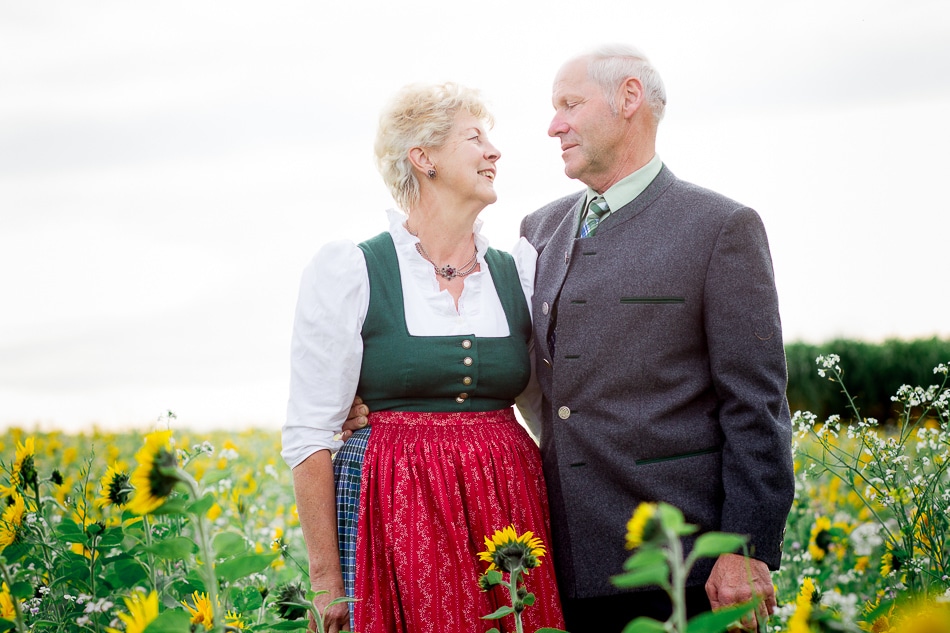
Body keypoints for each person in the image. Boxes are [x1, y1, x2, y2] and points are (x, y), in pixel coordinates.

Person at [517, 44, 796, 632]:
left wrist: (744, 548)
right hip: (560, 560)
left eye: (570, 104)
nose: (553, 125)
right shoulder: (537, 229)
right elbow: (510, 359)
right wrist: (370, 399)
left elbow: (756, 405)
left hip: (684, 570)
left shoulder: (721, 228)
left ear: (628, 98)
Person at [281, 82, 565, 633]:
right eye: (474, 137)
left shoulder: (517, 270)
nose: (494, 151)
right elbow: (310, 430)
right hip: (397, 508)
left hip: (508, 504)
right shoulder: (352, 269)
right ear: (424, 157)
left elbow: (544, 409)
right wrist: (326, 581)